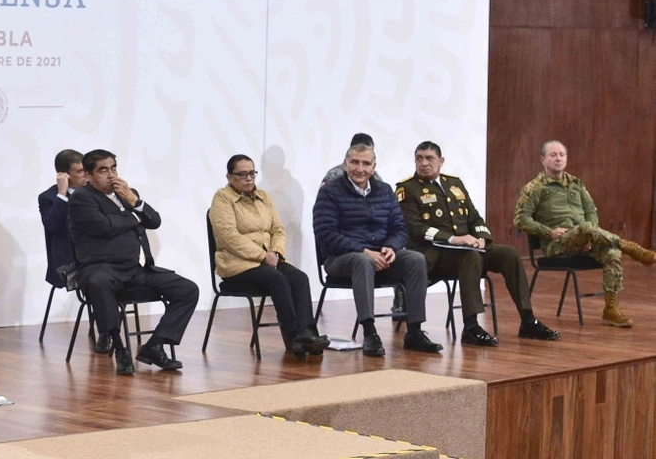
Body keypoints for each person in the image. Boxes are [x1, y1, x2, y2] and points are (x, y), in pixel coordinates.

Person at [397, 141, 559, 345]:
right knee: (470, 256)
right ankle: (471, 326)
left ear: (441, 161)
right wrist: (454, 239)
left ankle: (528, 320)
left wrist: (482, 238)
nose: (424, 163)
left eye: (429, 158)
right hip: (434, 254)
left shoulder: (454, 184)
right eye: (419, 158)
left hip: (466, 247)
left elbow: (473, 217)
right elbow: (415, 228)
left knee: (508, 253)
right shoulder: (407, 189)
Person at [68, 149, 199, 376]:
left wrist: (135, 202)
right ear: (88, 175)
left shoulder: (126, 194)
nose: (111, 175)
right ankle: (119, 348)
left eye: (113, 168)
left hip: (133, 271)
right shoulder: (82, 198)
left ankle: (155, 346)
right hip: (99, 269)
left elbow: (154, 221)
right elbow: (104, 226)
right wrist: (134, 218)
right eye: (103, 170)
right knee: (100, 283)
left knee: (187, 289)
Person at [312, 143, 443, 357]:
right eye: (354, 162)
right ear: (345, 164)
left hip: (381, 257)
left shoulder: (384, 190)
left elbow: (400, 228)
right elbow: (326, 235)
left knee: (415, 259)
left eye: (366, 163)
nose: (360, 169)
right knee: (362, 262)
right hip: (341, 259)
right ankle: (370, 332)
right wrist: (364, 251)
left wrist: (391, 247)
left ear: (374, 167)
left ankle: (415, 332)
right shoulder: (330, 192)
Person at [514, 140, 656, 327]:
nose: (558, 159)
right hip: (557, 244)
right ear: (543, 159)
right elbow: (520, 219)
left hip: (585, 240)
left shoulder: (576, 184)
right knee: (586, 229)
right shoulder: (535, 187)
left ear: (566, 159)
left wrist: (593, 237)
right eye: (553, 155)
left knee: (612, 253)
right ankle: (631, 247)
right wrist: (549, 232)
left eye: (561, 155)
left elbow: (591, 212)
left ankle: (610, 311)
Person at [209, 154, 329, 359]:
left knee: (300, 278)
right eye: (242, 174)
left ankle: (307, 332)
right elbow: (229, 236)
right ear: (229, 177)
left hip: (268, 260)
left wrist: (276, 252)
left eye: (252, 173)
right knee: (278, 279)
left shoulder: (264, 197)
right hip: (237, 265)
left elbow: (278, 229)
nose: (249, 178)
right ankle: (294, 337)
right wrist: (262, 255)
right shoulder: (222, 199)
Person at [38, 149, 100, 347]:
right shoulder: (49, 197)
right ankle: (108, 332)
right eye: (80, 171)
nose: (86, 175)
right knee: (100, 280)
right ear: (63, 174)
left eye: (86, 170)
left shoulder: (95, 192)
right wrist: (62, 194)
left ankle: (107, 331)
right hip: (70, 262)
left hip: (97, 256)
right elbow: (53, 225)